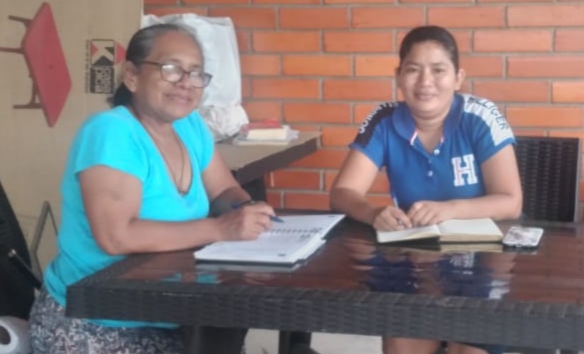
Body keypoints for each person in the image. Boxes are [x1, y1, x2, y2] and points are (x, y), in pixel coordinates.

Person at [29, 23, 276, 354]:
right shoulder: (112, 132)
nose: (186, 82)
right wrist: (221, 228)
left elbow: (223, 191)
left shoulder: (190, 126)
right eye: (171, 69)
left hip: (169, 309)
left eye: (196, 73)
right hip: (97, 321)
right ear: (132, 75)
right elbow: (116, 236)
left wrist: (247, 209)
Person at [329, 25, 523, 354]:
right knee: (403, 344)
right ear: (398, 76)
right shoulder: (383, 120)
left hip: (484, 262)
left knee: (469, 349)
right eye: (413, 70)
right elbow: (342, 192)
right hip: (415, 261)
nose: (425, 82)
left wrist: (450, 209)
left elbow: (511, 202)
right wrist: (374, 213)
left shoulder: (481, 116)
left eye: (438, 70)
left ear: (458, 78)